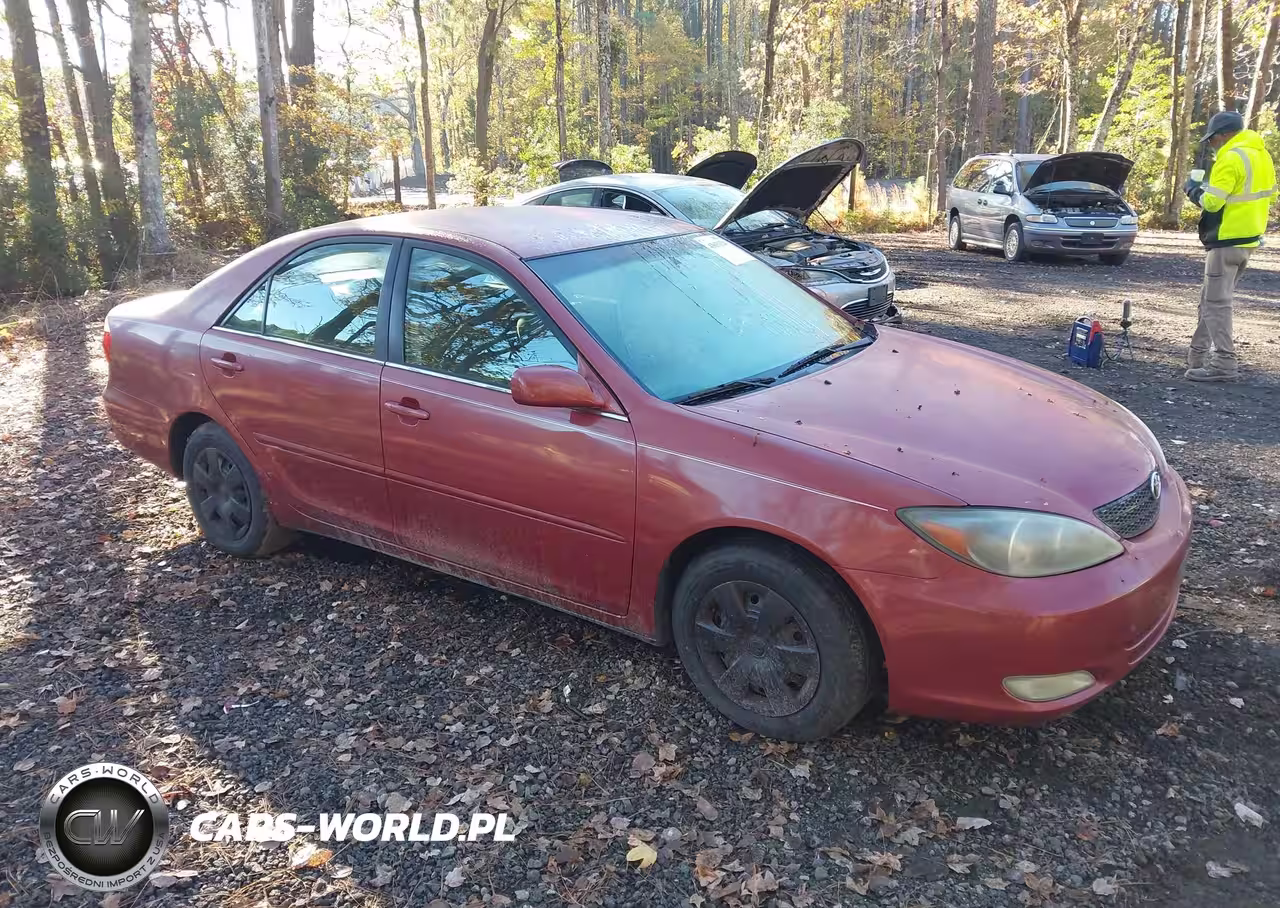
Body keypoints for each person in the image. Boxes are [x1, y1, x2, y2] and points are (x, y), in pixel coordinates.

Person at [1182, 110, 1276, 381]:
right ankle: (1196, 355)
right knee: (1210, 300)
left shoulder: (1231, 158)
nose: (1212, 144)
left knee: (1216, 304)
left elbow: (1213, 203)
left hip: (1226, 239)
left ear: (1225, 135)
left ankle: (1224, 363)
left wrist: (1194, 190)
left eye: (1212, 139)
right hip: (1248, 239)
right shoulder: (1261, 155)